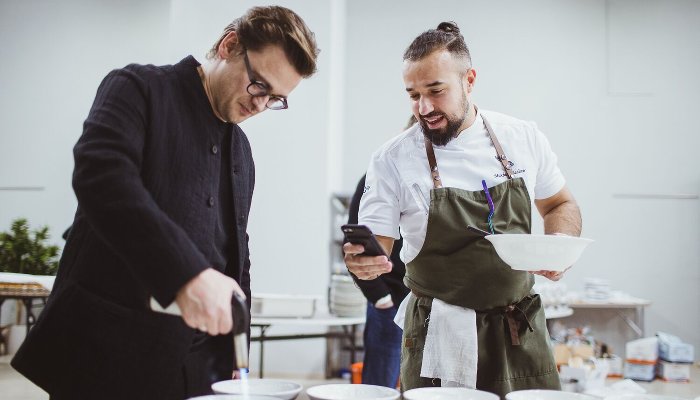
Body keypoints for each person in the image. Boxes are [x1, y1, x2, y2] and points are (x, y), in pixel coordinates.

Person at [11, 6, 319, 400]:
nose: (260, 105)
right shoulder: (139, 87)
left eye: (276, 98)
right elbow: (101, 177)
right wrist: (187, 276)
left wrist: (236, 352)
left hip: (195, 369)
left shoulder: (241, 150)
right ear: (229, 45)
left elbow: (234, 250)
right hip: (106, 358)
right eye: (259, 85)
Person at [343, 22, 581, 398]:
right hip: (439, 332)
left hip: (518, 328)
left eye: (436, 91)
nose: (424, 108)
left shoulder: (523, 137)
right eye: (413, 95)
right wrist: (364, 261)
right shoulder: (392, 159)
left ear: (469, 80)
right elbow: (377, 243)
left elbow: (559, 203)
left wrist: (561, 242)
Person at [347, 117, 415, 388]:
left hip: (426, 301)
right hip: (390, 301)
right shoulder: (374, 179)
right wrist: (380, 298)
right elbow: (356, 243)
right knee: (379, 386)